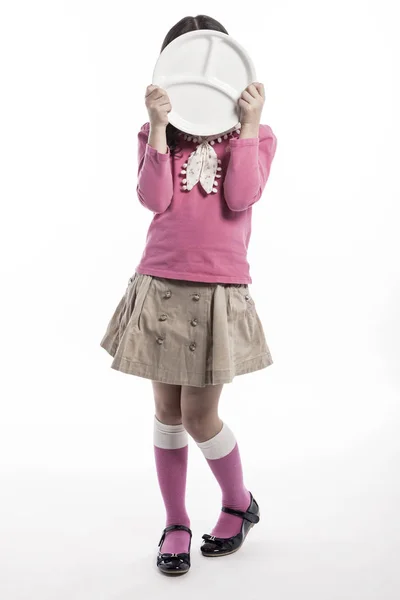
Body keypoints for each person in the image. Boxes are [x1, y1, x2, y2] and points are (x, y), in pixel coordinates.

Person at [100, 14, 277, 576]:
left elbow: (241, 195)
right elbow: (154, 201)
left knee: (202, 415)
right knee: (167, 412)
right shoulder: (161, 138)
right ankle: (175, 521)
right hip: (161, 283)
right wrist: (156, 128)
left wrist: (249, 126)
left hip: (220, 289)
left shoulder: (257, 137)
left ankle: (237, 502)